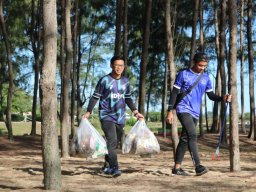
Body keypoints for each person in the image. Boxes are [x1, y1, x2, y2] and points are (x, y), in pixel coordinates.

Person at [166, 52, 232, 176]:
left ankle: (177, 168)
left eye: (205, 66)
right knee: (192, 134)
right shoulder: (183, 74)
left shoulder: (206, 78)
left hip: (195, 112)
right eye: (200, 65)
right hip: (183, 108)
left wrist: (222, 98)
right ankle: (198, 166)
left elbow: (211, 96)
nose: (202, 68)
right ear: (195, 62)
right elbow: (174, 93)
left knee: (185, 139)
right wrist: (170, 110)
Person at [83, 55, 144, 177]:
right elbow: (95, 96)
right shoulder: (104, 80)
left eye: (121, 65)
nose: (119, 68)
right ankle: (115, 167)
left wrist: (135, 111)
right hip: (106, 115)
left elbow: (128, 98)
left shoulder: (125, 81)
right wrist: (89, 111)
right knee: (112, 140)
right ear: (111, 65)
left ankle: (107, 165)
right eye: (116, 65)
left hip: (120, 117)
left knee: (113, 144)